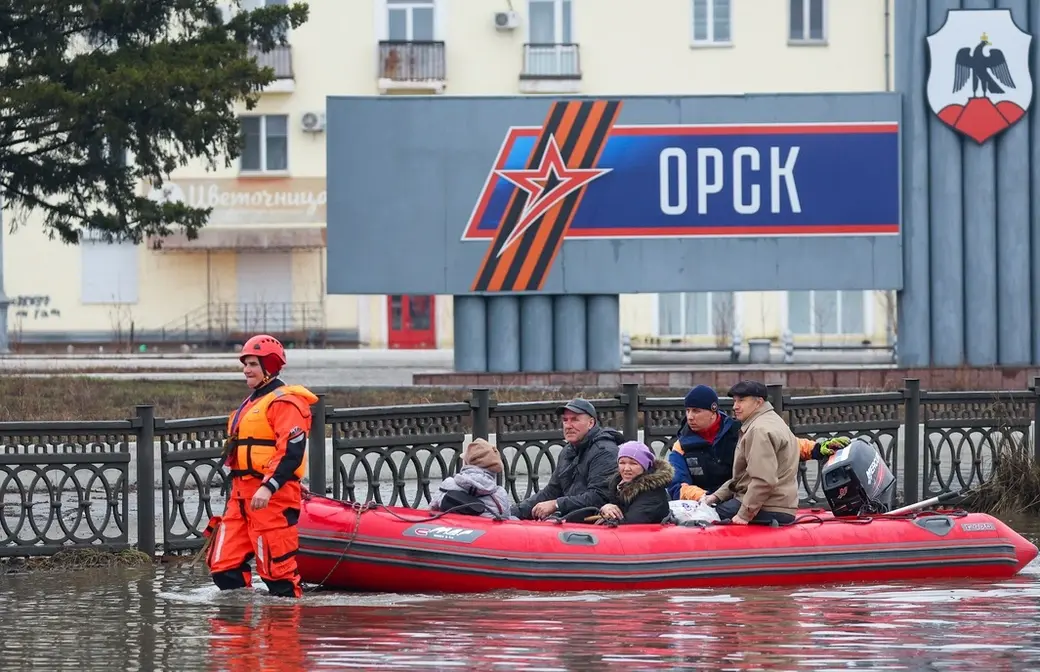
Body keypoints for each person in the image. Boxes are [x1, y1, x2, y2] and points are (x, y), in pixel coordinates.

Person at [205, 334, 318, 598]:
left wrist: (269, 487)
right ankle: (242, 634)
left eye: (253, 364)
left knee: (278, 574)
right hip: (241, 497)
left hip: (271, 498)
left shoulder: (286, 402)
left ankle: (284, 630)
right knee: (223, 568)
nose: (246, 369)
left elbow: (291, 451)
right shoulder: (252, 402)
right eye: (245, 364)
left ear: (270, 366)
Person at [667, 384, 849, 502]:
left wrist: (818, 448)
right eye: (688, 411)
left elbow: (784, 443)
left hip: (744, 498)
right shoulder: (681, 446)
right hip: (707, 504)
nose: (690, 417)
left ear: (713, 411)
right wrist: (706, 498)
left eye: (696, 411)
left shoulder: (740, 430)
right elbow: (677, 486)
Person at [703, 380, 800, 526]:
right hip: (778, 504)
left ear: (759, 402)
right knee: (709, 509)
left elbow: (764, 480)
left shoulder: (759, 430)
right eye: (734, 401)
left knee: (702, 518)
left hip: (767, 507)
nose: (735, 406)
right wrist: (716, 496)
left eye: (741, 401)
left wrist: (744, 515)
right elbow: (745, 477)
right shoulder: (773, 421)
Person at [511, 398, 625, 520]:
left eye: (575, 420)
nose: (568, 426)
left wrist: (557, 504)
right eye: (565, 420)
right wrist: (514, 512)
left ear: (591, 423)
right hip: (570, 518)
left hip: (595, 522)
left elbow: (599, 498)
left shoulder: (604, 451)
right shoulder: (568, 450)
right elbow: (552, 490)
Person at [431, 439, 513, 519]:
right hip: (487, 530)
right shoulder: (500, 494)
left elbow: (431, 511)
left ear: (467, 462)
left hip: (452, 528)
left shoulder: (448, 484)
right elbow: (505, 520)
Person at [598, 441, 674, 525]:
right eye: (622, 463)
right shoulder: (617, 485)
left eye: (633, 463)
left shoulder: (652, 492)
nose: (626, 468)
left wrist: (606, 518)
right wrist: (605, 509)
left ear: (644, 466)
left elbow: (630, 524)